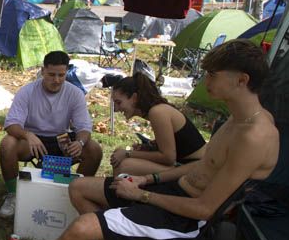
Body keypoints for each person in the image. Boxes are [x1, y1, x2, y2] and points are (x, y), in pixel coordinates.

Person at [0, 40, 279, 240]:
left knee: (81, 227)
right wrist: (147, 180)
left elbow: (205, 209)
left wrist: (141, 196)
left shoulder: (254, 136)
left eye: (212, 75)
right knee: (78, 187)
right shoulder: (234, 120)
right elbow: (197, 167)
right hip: (173, 191)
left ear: (241, 80)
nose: (205, 81)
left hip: (186, 218)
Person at [68, 72, 206, 214]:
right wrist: (147, 147)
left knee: (125, 165)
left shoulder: (158, 112)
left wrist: (128, 153)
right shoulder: (157, 110)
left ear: (134, 98)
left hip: (193, 168)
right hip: (186, 164)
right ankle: (118, 207)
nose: (116, 109)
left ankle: (120, 209)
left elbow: (168, 157)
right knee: (123, 161)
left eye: (119, 102)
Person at [0, 51, 103, 218]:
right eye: (51, 74)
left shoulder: (75, 93)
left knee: (94, 149)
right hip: (33, 142)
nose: (57, 80)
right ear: (42, 71)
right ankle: (13, 195)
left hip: (62, 140)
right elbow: (11, 124)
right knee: (7, 144)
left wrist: (80, 143)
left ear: (66, 72)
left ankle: (77, 192)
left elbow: (84, 127)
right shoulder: (27, 91)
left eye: (61, 75)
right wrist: (28, 135)